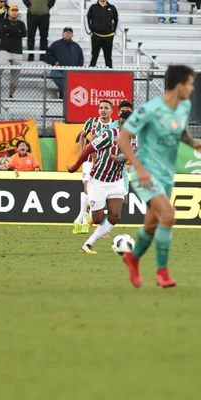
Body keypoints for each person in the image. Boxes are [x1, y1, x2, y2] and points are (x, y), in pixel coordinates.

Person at [118, 65, 199, 289]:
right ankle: (162, 273)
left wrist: (193, 143)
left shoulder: (184, 106)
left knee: (152, 225)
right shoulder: (149, 110)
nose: (192, 88)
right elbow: (123, 139)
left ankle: (132, 258)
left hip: (165, 174)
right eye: (190, 84)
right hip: (145, 172)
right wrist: (140, 169)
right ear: (180, 86)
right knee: (169, 215)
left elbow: (180, 130)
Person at [68, 111, 133, 254]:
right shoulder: (109, 135)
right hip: (98, 179)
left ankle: (88, 244)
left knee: (115, 215)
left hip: (116, 181)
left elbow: (129, 157)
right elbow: (88, 149)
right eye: (121, 123)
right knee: (97, 219)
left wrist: (120, 158)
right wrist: (74, 167)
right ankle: (89, 203)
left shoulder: (135, 139)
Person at [72, 100, 113, 234]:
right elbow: (82, 136)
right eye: (101, 107)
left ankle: (80, 218)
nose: (103, 110)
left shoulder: (114, 126)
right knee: (86, 188)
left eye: (106, 108)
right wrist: (82, 152)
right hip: (90, 161)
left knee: (98, 192)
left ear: (111, 111)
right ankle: (84, 218)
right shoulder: (92, 122)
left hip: (105, 162)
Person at [45, 26, 84, 99]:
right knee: (59, 78)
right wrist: (54, 62)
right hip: (58, 70)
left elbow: (81, 59)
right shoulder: (55, 44)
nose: (68, 34)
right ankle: (67, 94)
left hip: (72, 72)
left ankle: (64, 93)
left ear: (72, 35)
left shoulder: (76, 46)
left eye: (70, 33)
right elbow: (47, 56)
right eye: (66, 33)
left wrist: (77, 68)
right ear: (62, 34)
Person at [0, 4, 26, 98]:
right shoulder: (3, 21)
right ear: (8, 12)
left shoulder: (21, 23)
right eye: (12, 10)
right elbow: (2, 30)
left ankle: (11, 91)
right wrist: (16, 31)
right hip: (5, 49)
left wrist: (9, 32)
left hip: (17, 51)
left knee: (16, 72)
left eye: (16, 11)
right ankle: (0, 88)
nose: (14, 12)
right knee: (1, 67)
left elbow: (23, 33)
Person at [87, 0, 118, 68]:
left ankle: (110, 75)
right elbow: (87, 18)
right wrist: (90, 31)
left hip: (108, 36)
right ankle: (90, 74)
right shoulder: (93, 7)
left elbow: (116, 20)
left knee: (108, 58)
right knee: (94, 56)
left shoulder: (112, 8)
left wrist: (114, 31)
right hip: (96, 36)